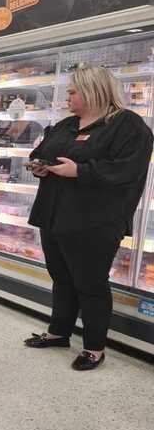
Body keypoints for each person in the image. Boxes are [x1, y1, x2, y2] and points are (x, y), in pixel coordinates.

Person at [23, 64, 153, 370]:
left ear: (94, 91)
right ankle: (58, 333)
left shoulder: (128, 126)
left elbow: (127, 170)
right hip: (54, 215)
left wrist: (79, 171)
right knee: (62, 278)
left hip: (94, 221)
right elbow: (41, 151)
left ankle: (94, 348)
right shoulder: (68, 124)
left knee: (91, 283)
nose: (68, 96)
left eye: (73, 91)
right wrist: (40, 165)